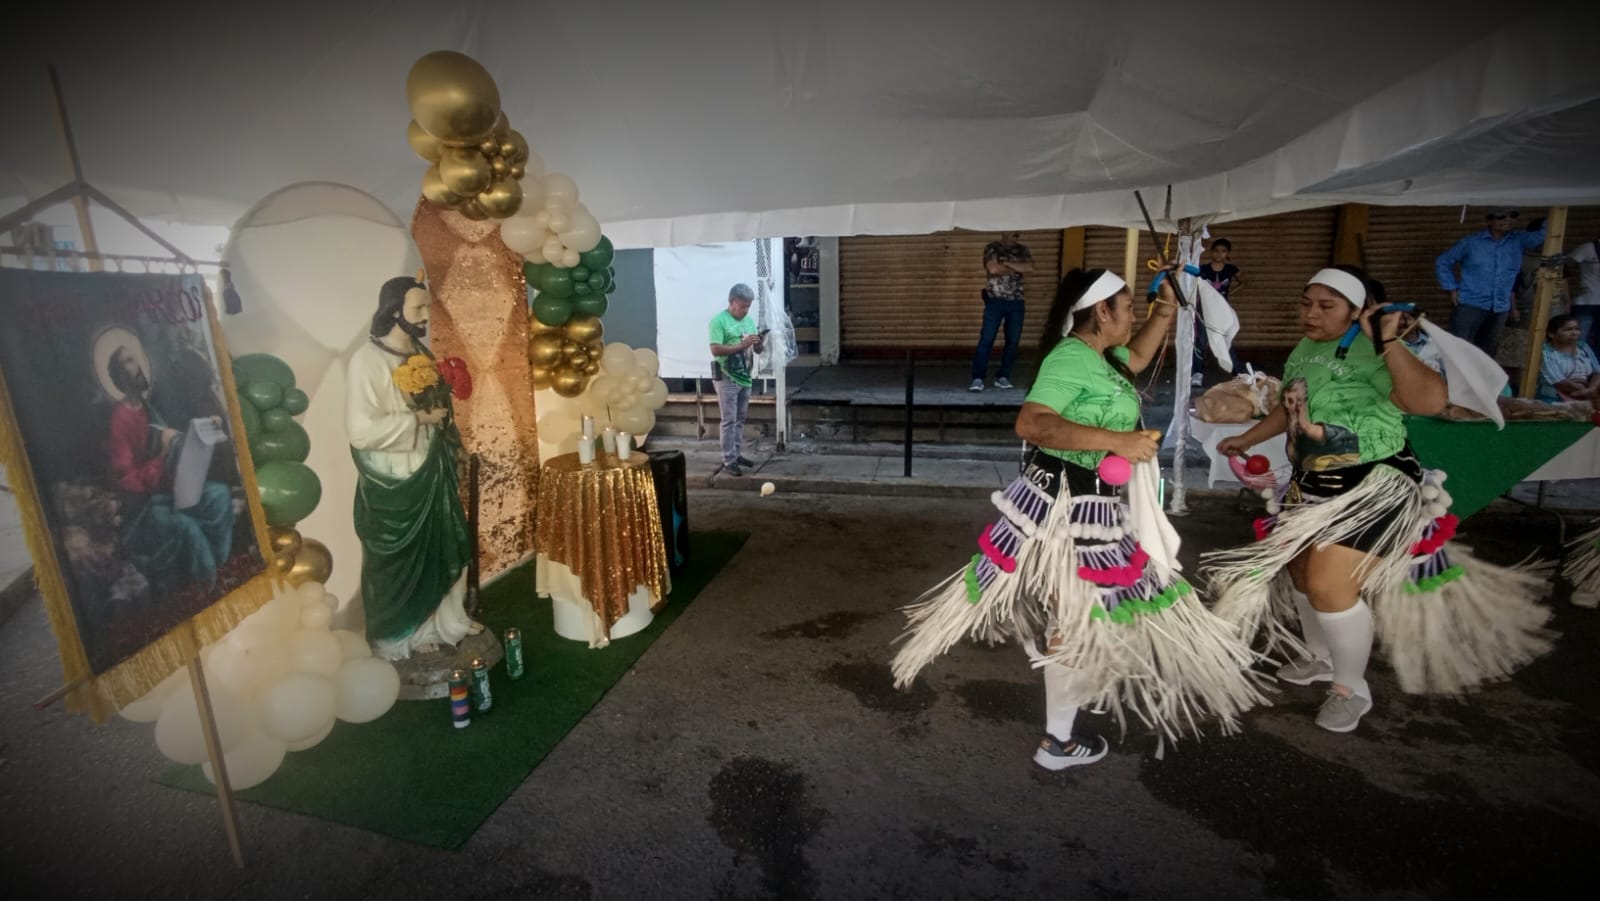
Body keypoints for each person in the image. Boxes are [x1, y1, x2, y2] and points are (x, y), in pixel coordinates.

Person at [894, 264, 1266, 770]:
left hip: (1089, 506)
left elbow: (1136, 357)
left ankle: (1061, 730)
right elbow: (1032, 423)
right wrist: (1119, 441)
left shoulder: (1103, 356)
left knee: (1080, 616)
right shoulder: (1070, 358)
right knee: (1074, 620)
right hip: (1065, 509)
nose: (1132, 317)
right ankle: (1057, 741)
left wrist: (1164, 307)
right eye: (1129, 308)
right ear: (1101, 311)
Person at [1206, 266, 1554, 733]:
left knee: (1331, 587)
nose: (1311, 314)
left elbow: (1428, 402)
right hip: (1311, 484)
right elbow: (1287, 408)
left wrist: (1388, 342)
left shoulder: (1379, 351)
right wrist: (1247, 438)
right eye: (1306, 302)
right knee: (1303, 575)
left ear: (1356, 311)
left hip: (1371, 485)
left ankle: (1351, 688)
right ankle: (1321, 658)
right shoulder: (1306, 349)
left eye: (1326, 306)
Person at [348, 276, 481, 660]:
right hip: (396, 478)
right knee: (398, 561)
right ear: (393, 312)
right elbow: (359, 431)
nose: (426, 316)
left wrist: (444, 428)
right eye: (418, 308)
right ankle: (401, 637)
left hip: (432, 468)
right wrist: (418, 421)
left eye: (427, 308)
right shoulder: (367, 361)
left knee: (448, 541)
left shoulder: (419, 354)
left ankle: (448, 621)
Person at [104, 339, 234, 594]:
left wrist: (205, 428)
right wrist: (164, 452)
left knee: (220, 496)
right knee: (187, 527)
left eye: (137, 359)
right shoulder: (119, 420)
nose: (138, 366)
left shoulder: (149, 407)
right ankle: (207, 589)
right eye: (130, 362)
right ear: (120, 374)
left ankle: (222, 571)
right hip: (145, 509)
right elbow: (127, 480)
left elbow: (174, 443)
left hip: (172, 491)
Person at [1435, 208, 1547, 356]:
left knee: (1488, 351)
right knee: (1460, 348)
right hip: (1471, 303)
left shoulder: (1519, 240)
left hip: (1500, 307)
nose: (1507, 220)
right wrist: (1452, 288)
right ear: (1489, 221)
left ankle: (1480, 380)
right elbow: (1443, 261)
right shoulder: (1471, 242)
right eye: (1501, 216)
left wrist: (1559, 203)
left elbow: (1544, 234)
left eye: (1513, 215)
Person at [709, 283, 765, 477]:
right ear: (732, 302)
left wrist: (759, 343)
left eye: (748, 306)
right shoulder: (719, 321)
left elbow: (755, 350)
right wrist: (742, 345)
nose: (745, 310)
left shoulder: (749, 322)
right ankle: (728, 459)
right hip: (727, 376)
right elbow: (715, 349)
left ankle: (736, 453)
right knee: (729, 420)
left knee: (740, 419)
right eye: (742, 306)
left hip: (744, 376)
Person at [970, 231, 1033, 392]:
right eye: (1014, 234)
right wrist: (1015, 266)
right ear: (1004, 233)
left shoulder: (1023, 250)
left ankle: (1003, 376)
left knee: (1013, 341)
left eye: (1018, 235)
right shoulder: (992, 248)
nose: (1016, 237)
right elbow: (992, 268)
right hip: (995, 301)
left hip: (1017, 302)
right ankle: (978, 378)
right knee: (987, 338)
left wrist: (1005, 264)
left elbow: (1029, 267)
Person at [1195, 238, 1245, 385]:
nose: (1219, 254)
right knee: (1200, 340)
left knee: (1225, 338)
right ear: (1211, 252)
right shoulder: (1202, 270)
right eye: (1216, 251)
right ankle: (1197, 373)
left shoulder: (1231, 269)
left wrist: (1229, 295)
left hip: (1222, 310)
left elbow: (1244, 282)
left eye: (1223, 251)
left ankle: (1236, 372)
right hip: (1204, 309)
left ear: (1227, 253)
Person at [1536, 313, 1600, 402]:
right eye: (1568, 329)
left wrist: (1591, 389)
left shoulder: (1583, 346)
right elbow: (1558, 380)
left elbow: (1597, 371)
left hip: (1584, 394)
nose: (1574, 332)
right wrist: (1585, 391)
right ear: (1551, 334)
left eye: (1577, 329)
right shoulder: (1546, 351)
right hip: (1553, 397)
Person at [1567, 236, 1600, 353]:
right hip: (1586, 303)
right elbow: (1564, 264)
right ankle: (1578, 368)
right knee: (1580, 339)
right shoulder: (1588, 248)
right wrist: (1573, 285)